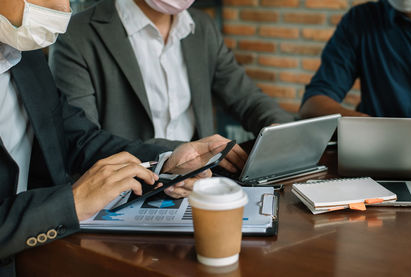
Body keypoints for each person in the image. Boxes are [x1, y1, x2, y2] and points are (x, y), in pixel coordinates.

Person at [0, 0, 224, 275]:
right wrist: (69, 204)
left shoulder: (26, 57)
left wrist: (166, 163)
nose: (63, 8)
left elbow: (77, 139)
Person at [49, 0, 295, 158]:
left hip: (201, 182)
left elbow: (246, 98)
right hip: (128, 189)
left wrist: (280, 129)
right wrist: (179, 153)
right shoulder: (76, 36)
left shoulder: (202, 26)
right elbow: (82, 142)